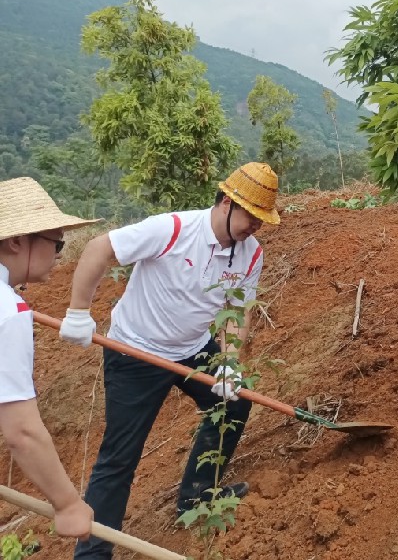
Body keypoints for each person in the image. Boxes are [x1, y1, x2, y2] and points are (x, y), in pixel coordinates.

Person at [62, 163, 281, 560]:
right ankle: (92, 553)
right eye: (252, 216)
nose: (255, 227)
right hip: (136, 352)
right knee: (120, 457)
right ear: (228, 202)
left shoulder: (250, 255)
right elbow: (100, 248)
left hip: (194, 349)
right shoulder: (174, 230)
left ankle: (196, 496)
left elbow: (237, 311)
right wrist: (79, 311)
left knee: (234, 404)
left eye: (262, 221)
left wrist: (229, 362)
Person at [0, 178, 97, 540]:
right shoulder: (9, 311)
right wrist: (68, 504)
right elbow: (22, 432)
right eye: (56, 243)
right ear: (16, 241)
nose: (59, 254)